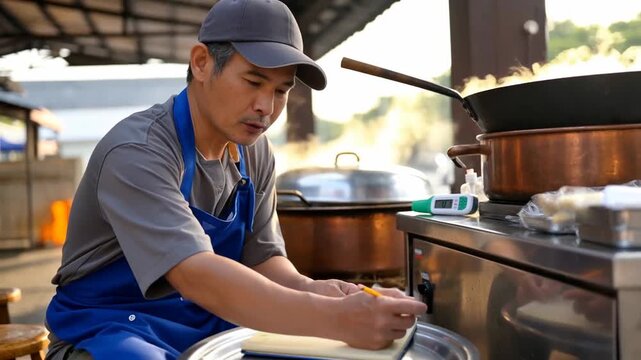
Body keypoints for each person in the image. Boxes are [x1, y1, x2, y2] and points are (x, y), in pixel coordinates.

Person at [44, 0, 427, 359]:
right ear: (201, 63)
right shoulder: (138, 152)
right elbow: (196, 275)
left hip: (206, 321)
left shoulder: (255, 153)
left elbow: (262, 258)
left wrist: (314, 290)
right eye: (253, 81)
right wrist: (338, 319)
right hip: (109, 329)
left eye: (280, 90)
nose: (266, 107)